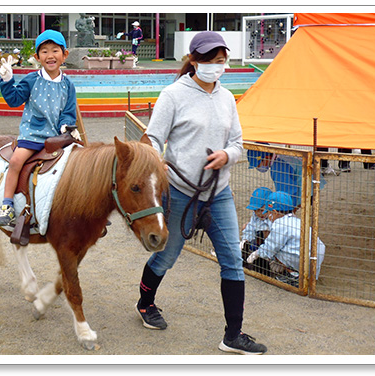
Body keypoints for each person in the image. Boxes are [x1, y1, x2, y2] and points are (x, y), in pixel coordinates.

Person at [135, 31, 267, 355]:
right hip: (180, 193)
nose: (216, 67)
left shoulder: (226, 97)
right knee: (166, 256)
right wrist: (155, 161)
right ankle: (145, 303)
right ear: (193, 61)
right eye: (209, 61)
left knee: (232, 261)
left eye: (221, 61)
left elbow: (237, 142)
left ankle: (233, 335)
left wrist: (227, 156)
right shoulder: (173, 95)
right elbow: (152, 138)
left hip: (218, 193)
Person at [0, 30, 78, 226]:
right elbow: (14, 100)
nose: (50, 56)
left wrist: (66, 125)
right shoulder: (32, 79)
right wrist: (7, 81)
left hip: (58, 136)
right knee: (15, 161)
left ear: (64, 54)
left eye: (55, 50)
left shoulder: (68, 85)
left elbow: (68, 111)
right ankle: (7, 206)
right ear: (37, 57)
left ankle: (85, 209)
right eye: (44, 51)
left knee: (83, 161)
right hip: (33, 135)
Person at [246, 191, 325, 286]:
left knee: (274, 250)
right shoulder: (296, 220)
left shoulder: (280, 224)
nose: (269, 216)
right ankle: (305, 275)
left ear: (274, 212)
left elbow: (270, 247)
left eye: (269, 213)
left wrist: (256, 254)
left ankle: (295, 276)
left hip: (305, 259)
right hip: (315, 258)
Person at [240, 187, 272, 273]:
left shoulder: (273, 217)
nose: (258, 213)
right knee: (245, 226)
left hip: (271, 246)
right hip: (258, 241)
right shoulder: (256, 215)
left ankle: (268, 259)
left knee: (266, 231)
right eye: (256, 210)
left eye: (261, 210)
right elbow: (251, 226)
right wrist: (245, 239)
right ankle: (248, 252)